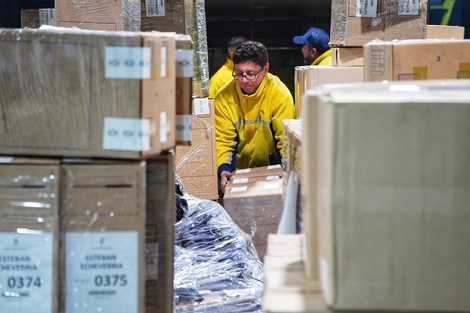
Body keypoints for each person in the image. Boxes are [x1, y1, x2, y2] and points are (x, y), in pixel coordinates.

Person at [215, 40, 295, 194]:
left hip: (272, 172)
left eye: (251, 74)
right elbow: (223, 140)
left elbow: (285, 138)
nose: (244, 80)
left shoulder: (279, 94)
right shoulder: (224, 97)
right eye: (239, 74)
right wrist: (224, 168)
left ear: (265, 69)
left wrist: (288, 168)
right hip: (237, 174)